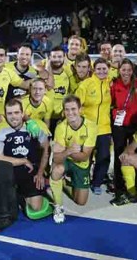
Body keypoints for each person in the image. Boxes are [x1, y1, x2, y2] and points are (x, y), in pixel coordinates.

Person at [0, 99, 52, 222]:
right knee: (2, 211)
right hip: (9, 173)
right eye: (10, 113)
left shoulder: (34, 127)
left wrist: (40, 173)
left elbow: (46, 149)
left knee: (36, 208)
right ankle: (19, 197)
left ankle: (29, 197)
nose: (13, 117)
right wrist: (23, 161)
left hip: (30, 173)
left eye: (16, 113)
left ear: (22, 113)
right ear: (5, 115)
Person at [109, 58, 137, 206]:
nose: (126, 72)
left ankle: (136, 187)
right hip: (119, 126)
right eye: (123, 69)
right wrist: (115, 113)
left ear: (132, 70)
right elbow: (111, 103)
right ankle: (120, 190)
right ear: (119, 70)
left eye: (128, 69)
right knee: (120, 156)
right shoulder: (114, 84)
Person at [50, 95, 97, 223]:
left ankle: (64, 184)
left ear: (80, 109)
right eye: (67, 110)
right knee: (57, 169)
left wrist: (64, 151)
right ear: (63, 111)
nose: (70, 113)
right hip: (66, 159)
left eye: (73, 109)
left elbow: (84, 156)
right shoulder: (60, 127)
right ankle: (58, 206)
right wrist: (69, 150)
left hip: (82, 164)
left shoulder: (91, 127)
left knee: (81, 202)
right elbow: (57, 158)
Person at [75, 58, 112, 195]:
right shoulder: (86, 84)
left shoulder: (110, 83)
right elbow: (77, 106)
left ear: (108, 69)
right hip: (88, 128)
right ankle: (82, 180)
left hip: (104, 128)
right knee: (86, 157)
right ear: (93, 70)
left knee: (104, 157)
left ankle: (97, 182)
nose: (102, 71)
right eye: (99, 69)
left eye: (104, 69)